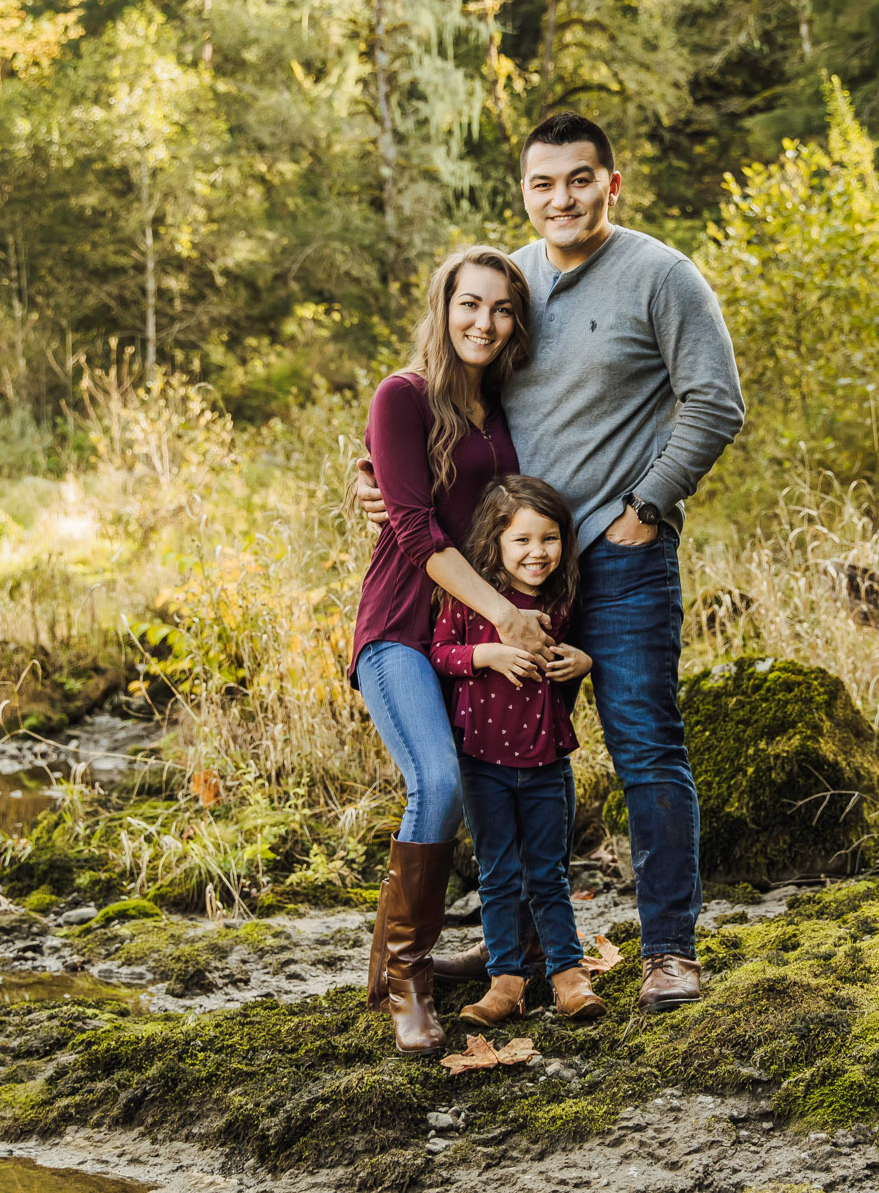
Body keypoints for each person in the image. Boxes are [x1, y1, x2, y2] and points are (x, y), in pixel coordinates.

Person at [359, 111, 745, 1013]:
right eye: (543, 183)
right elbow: (439, 390)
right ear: (524, 193)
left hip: (618, 559)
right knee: (503, 760)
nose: (561, 197)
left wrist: (645, 510)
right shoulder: (514, 284)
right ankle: (518, 956)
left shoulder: (661, 276)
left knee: (644, 744)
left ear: (612, 184)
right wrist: (370, 468)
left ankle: (669, 953)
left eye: (580, 179)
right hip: (508, 581)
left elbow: (715, 402)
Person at [351, 245, 554, 1055]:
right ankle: (408, 979)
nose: (485, 321)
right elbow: (414, 530)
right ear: (443, 308)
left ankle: (510, 951)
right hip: (403, 627)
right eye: (470, 304)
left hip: (470, 638)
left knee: (498, 788)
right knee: (434, 782)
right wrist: (507, 614)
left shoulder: (501, 412)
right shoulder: (403, 397)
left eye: (502, 309)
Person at [429, 475, 608, 1026]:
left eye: (549, 539)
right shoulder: (469, 599)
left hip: (546, 763)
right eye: (523, 540)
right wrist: (487, 655)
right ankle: (505, 982)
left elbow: (574, 657)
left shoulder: (562, 599)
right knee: (498, 875)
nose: (537, 552)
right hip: (483, 763)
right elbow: (438, 654)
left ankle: (567, 975)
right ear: (496, 543)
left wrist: (584, 663)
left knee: (549, 873)